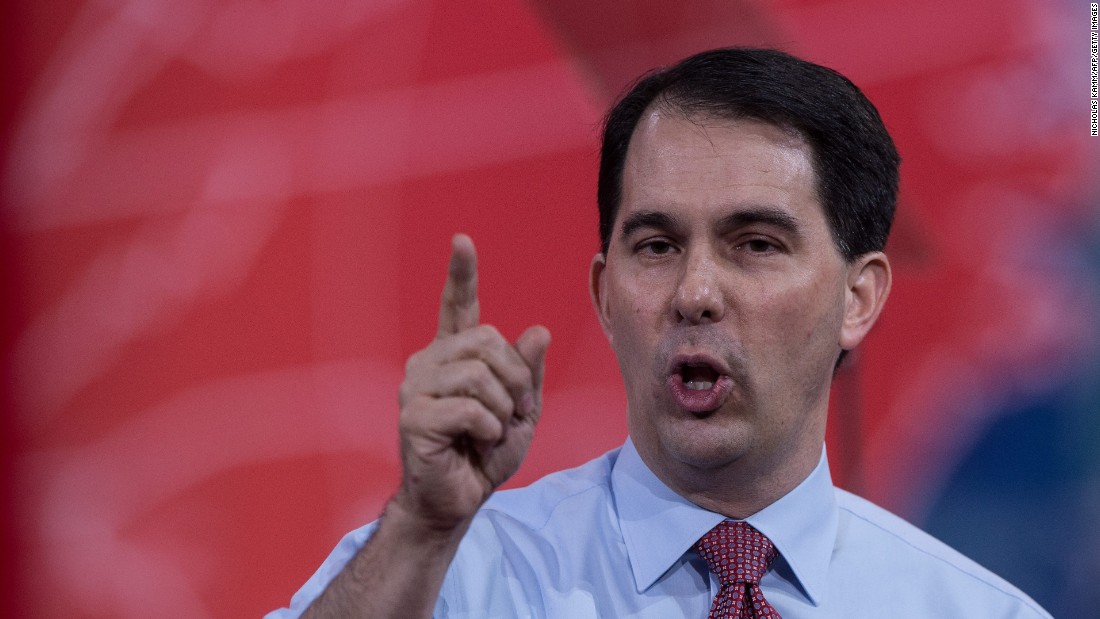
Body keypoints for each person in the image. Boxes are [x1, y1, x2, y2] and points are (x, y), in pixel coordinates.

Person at [267, 48, 1051, 618]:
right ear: (606, 296)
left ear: (859, 297)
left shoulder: (973, 609)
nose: (696, 292)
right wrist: (418, 526)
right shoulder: (454, 573)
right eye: (657, 246)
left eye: (755, 244)